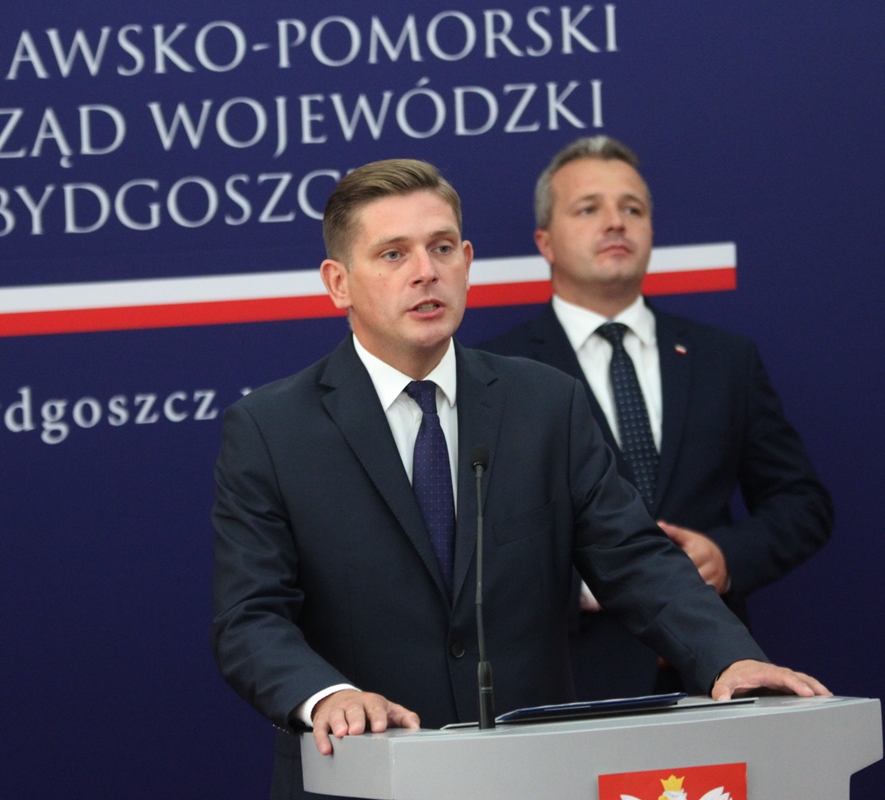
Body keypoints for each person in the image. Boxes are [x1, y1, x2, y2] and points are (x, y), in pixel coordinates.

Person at [211, 158, 829, 800]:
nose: (425, 271)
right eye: (393, 254)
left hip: (533, 774)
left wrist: (729, 656)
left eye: (441, 248)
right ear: (338, 283)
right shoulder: (271, 429)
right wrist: (327, 695)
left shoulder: (545, 403)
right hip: (361, 776)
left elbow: (635, 558)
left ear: (466, 262)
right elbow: (249, 616)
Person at [479, 136, 833, 699]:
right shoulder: (498, 372)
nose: (615, 222)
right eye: (589, 209)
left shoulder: (724, 359)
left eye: (633, 209)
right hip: (568, 680)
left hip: (712, 675)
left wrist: (726, 557)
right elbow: (472, 542)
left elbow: (802, 504)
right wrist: (587, 583)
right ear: (545, 242)